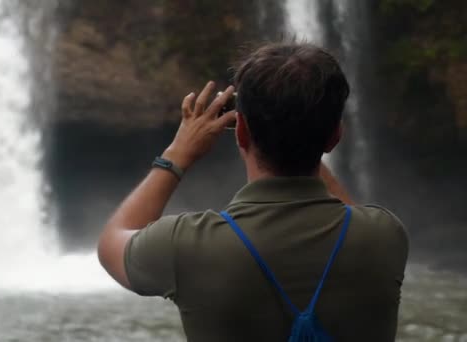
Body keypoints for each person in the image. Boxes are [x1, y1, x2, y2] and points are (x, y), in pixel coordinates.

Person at [97, 42, 409, 341]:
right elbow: (350, 214)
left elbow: (113, 241)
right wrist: (305, 136)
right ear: (335, 135)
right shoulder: (384, 235)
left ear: (242, 131)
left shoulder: (185, 244)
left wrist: (177, 154)